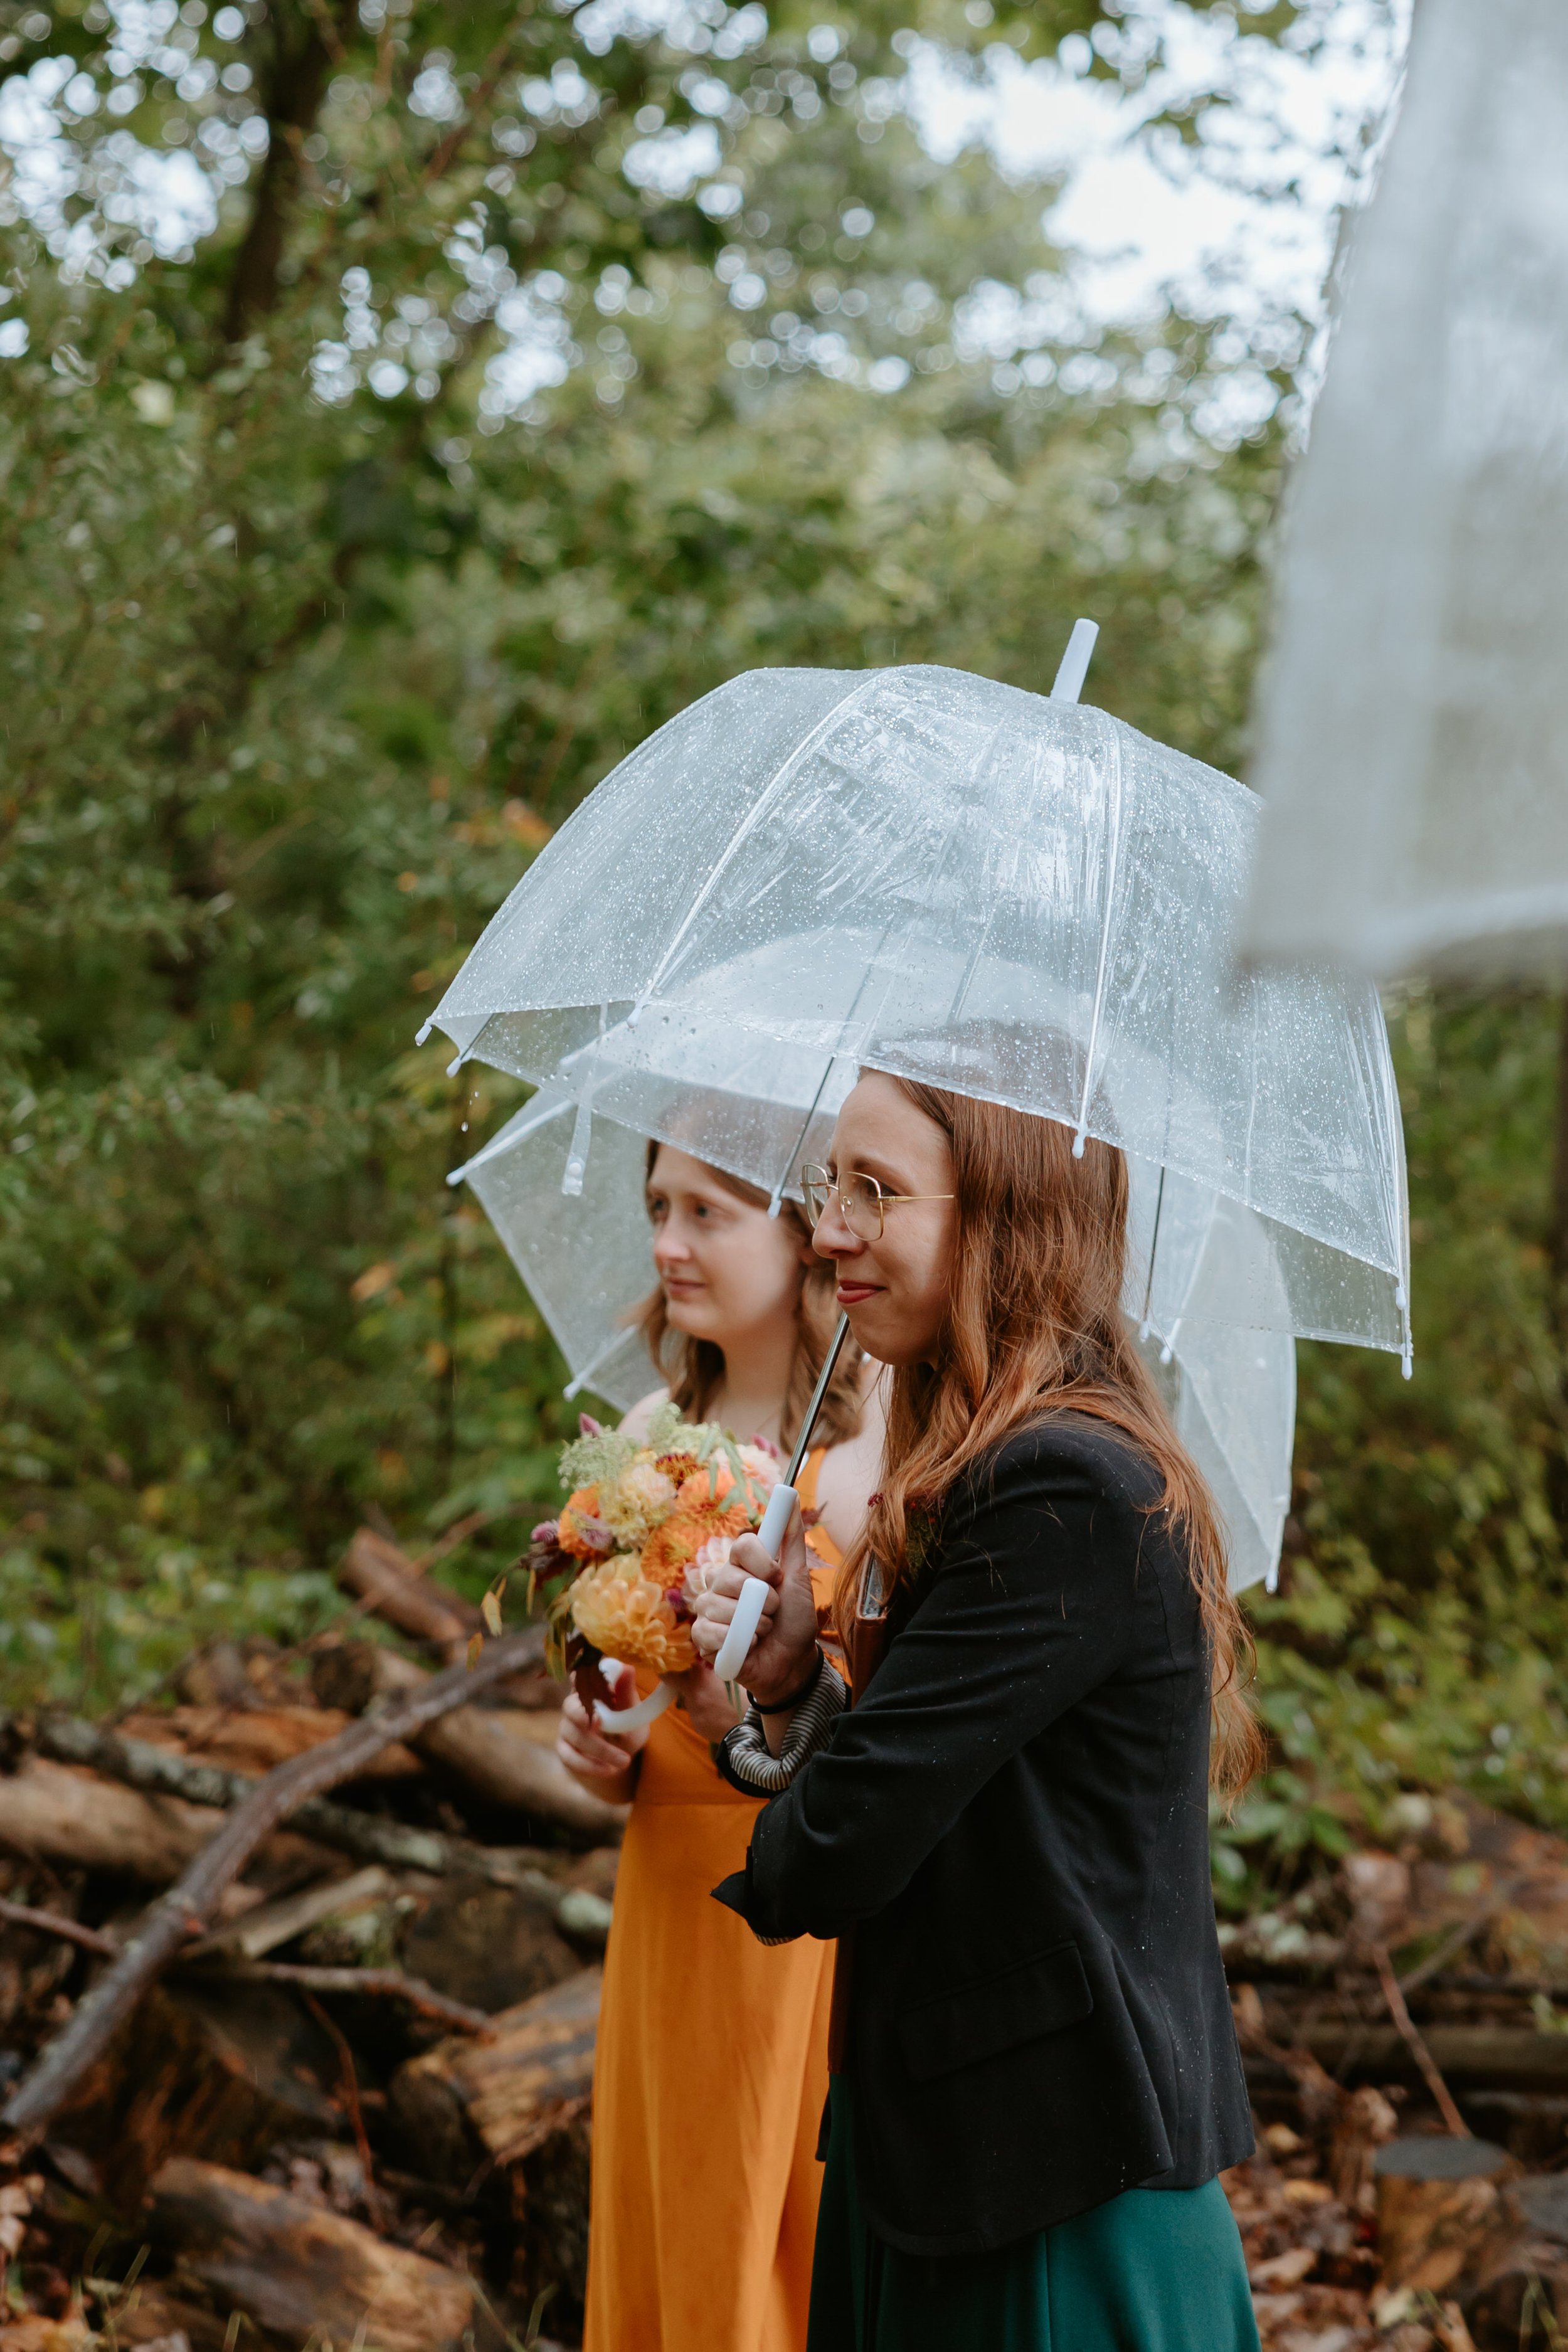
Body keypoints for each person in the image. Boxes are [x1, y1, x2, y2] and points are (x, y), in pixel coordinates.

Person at [691, 1072, 1265, 2352]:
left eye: (876, 1193)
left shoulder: (1059, 1490)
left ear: (1008, 1216)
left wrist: (792, 1818)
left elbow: (834, 1857)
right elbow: (955, 1807)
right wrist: (789, 1685)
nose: (828, 1228)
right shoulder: (974, 1471)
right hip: (948, 2161)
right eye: (831, 1184)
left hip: (1050, 2196)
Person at [556, 1142, 884, 2352]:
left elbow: (868, 1711)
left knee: (775, 2205)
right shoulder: (650, 1429)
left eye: (708, 1209)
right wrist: (602, 1743)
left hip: (794, 1901)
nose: (667, 1243)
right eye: (656, 1207)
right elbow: (636, 1687)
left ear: (804, 1228)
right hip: (663, 1884)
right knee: (668, 2194)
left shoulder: (874, 1450)